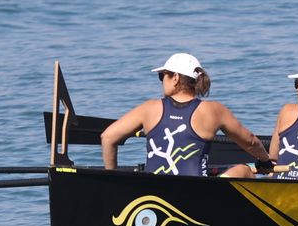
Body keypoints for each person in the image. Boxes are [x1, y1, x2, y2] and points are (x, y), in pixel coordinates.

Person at [101, 52, 270, 177]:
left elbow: (108, 137)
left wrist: (113, 179)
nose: (161, 81)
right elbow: (250, 141)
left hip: (154, 192)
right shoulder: (213, 110)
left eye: (162, 76)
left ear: (175, 78)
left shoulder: (149, 108)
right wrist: (265, 161)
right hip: (196, 192)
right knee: (244, 170)